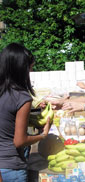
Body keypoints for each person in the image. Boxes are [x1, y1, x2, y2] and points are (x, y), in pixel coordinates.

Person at [0, 43, 52, 182]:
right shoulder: (22, 97)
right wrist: (42, 135)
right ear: (21, 69)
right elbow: (19, 141)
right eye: (30, 68)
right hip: (11, 168)